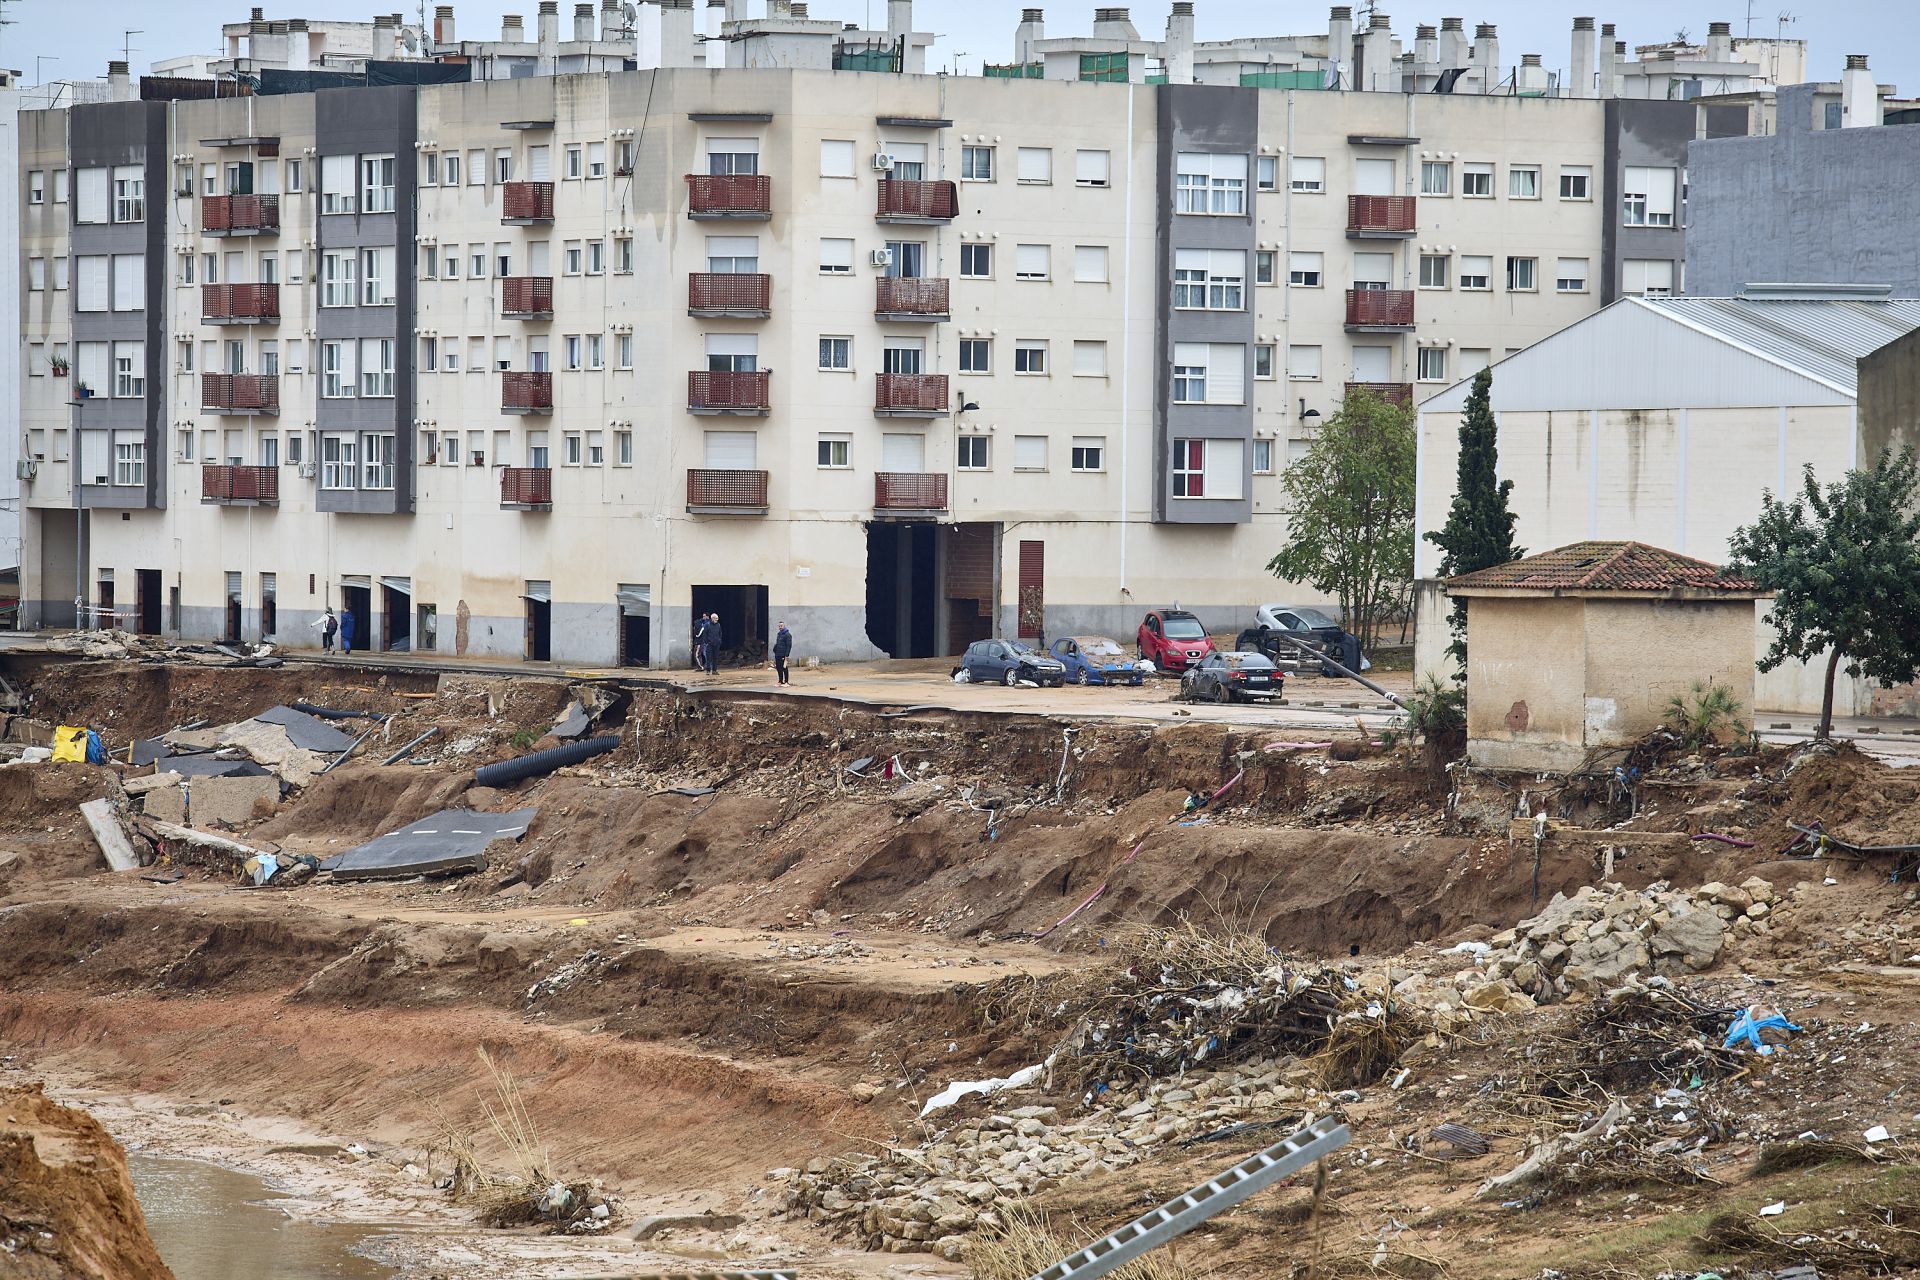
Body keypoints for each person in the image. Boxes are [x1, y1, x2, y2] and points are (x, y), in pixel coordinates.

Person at [772, 621, 793, 686]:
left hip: (783, 654)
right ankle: (780, 681)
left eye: (781, 626)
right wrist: (775, 649)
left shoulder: (787, 635)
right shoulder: (779, 634)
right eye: (779, 626)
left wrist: (787, 655)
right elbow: (778, 643)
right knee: (778, 668)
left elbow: (789, 645)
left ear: (784, 626)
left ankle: (786, 682)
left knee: (784, 667)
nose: (780, 627)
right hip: (778, 654)